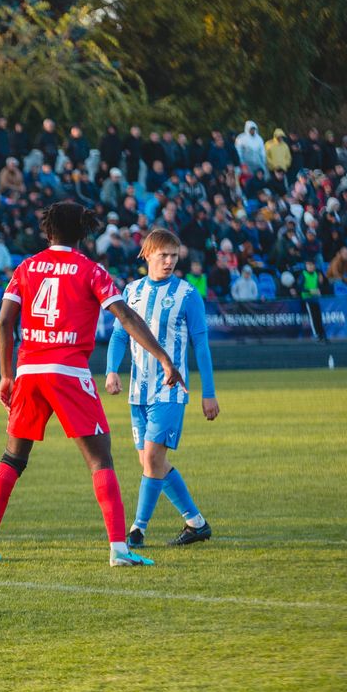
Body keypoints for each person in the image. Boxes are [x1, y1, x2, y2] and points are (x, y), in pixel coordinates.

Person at [0, 201, 183, 565]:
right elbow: (127, 316)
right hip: (68, 372)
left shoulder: (25, 267)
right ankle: (119, 550)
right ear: (83, 233)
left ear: (48, 231)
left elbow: (5, 322)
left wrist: (7, 375)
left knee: (12, 458)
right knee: (100, 460)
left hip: (29, 372)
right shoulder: (90, 270)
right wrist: (163, 357)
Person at [104, 228, 219, 548]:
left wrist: (208, 392)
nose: (169, 262)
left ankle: (137, 531)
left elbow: (201, 345)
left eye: (173, 256)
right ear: (147, 255)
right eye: (163, 255)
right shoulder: (132, 291)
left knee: (153, 458)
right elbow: (118, 335)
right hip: (138, 390)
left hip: (170, 389)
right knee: (151, 464)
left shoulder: (186, 294)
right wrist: (112, 370)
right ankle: (196, 523)